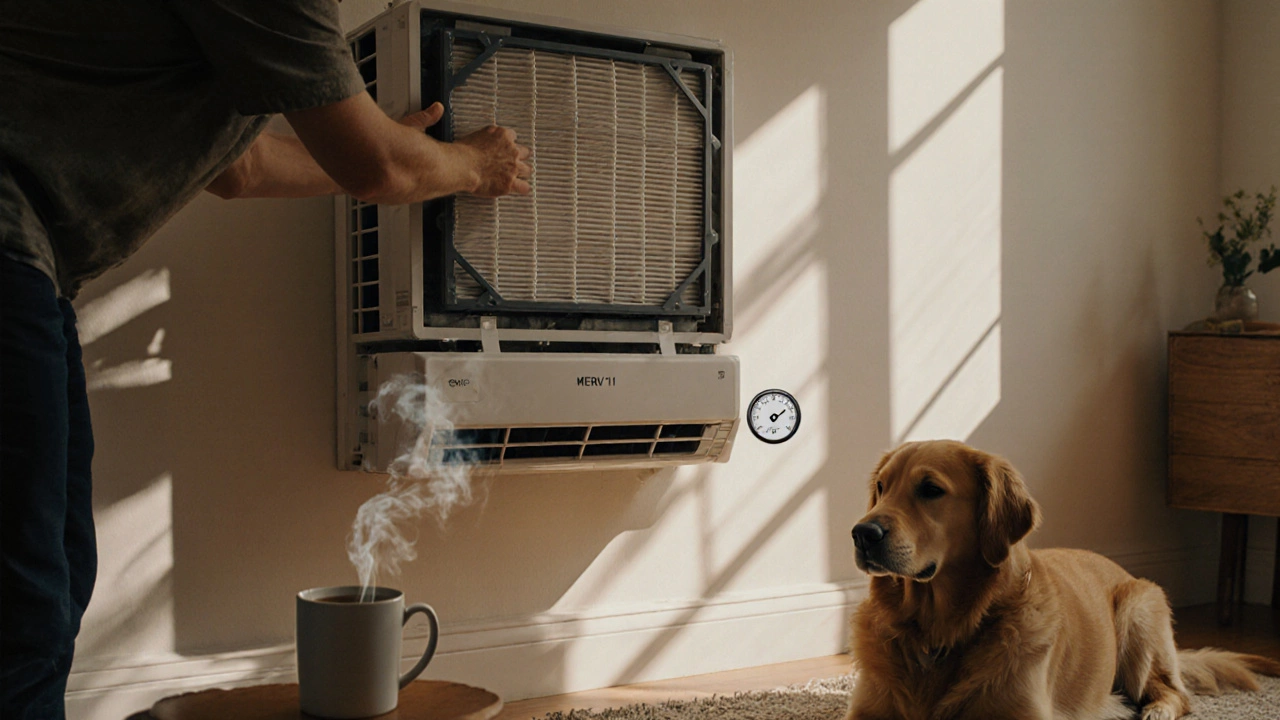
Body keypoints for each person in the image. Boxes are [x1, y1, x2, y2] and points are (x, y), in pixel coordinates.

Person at [0, 2, 531, 718]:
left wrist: (387, 149)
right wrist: (468, 164)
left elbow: (240, 167)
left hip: (37, 270)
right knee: (26, 596)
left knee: (53, 569)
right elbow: (375, 167)